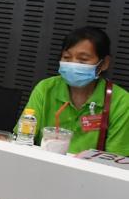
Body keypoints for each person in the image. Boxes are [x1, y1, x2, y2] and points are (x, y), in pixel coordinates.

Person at [18, 26, 129, 156]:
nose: (73, 64)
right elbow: (23, 137)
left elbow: (115, 158)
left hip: (91, 168)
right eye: (66, 57)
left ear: (104, 63)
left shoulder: (121, 101)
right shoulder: (46, 88)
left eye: (83, 60)